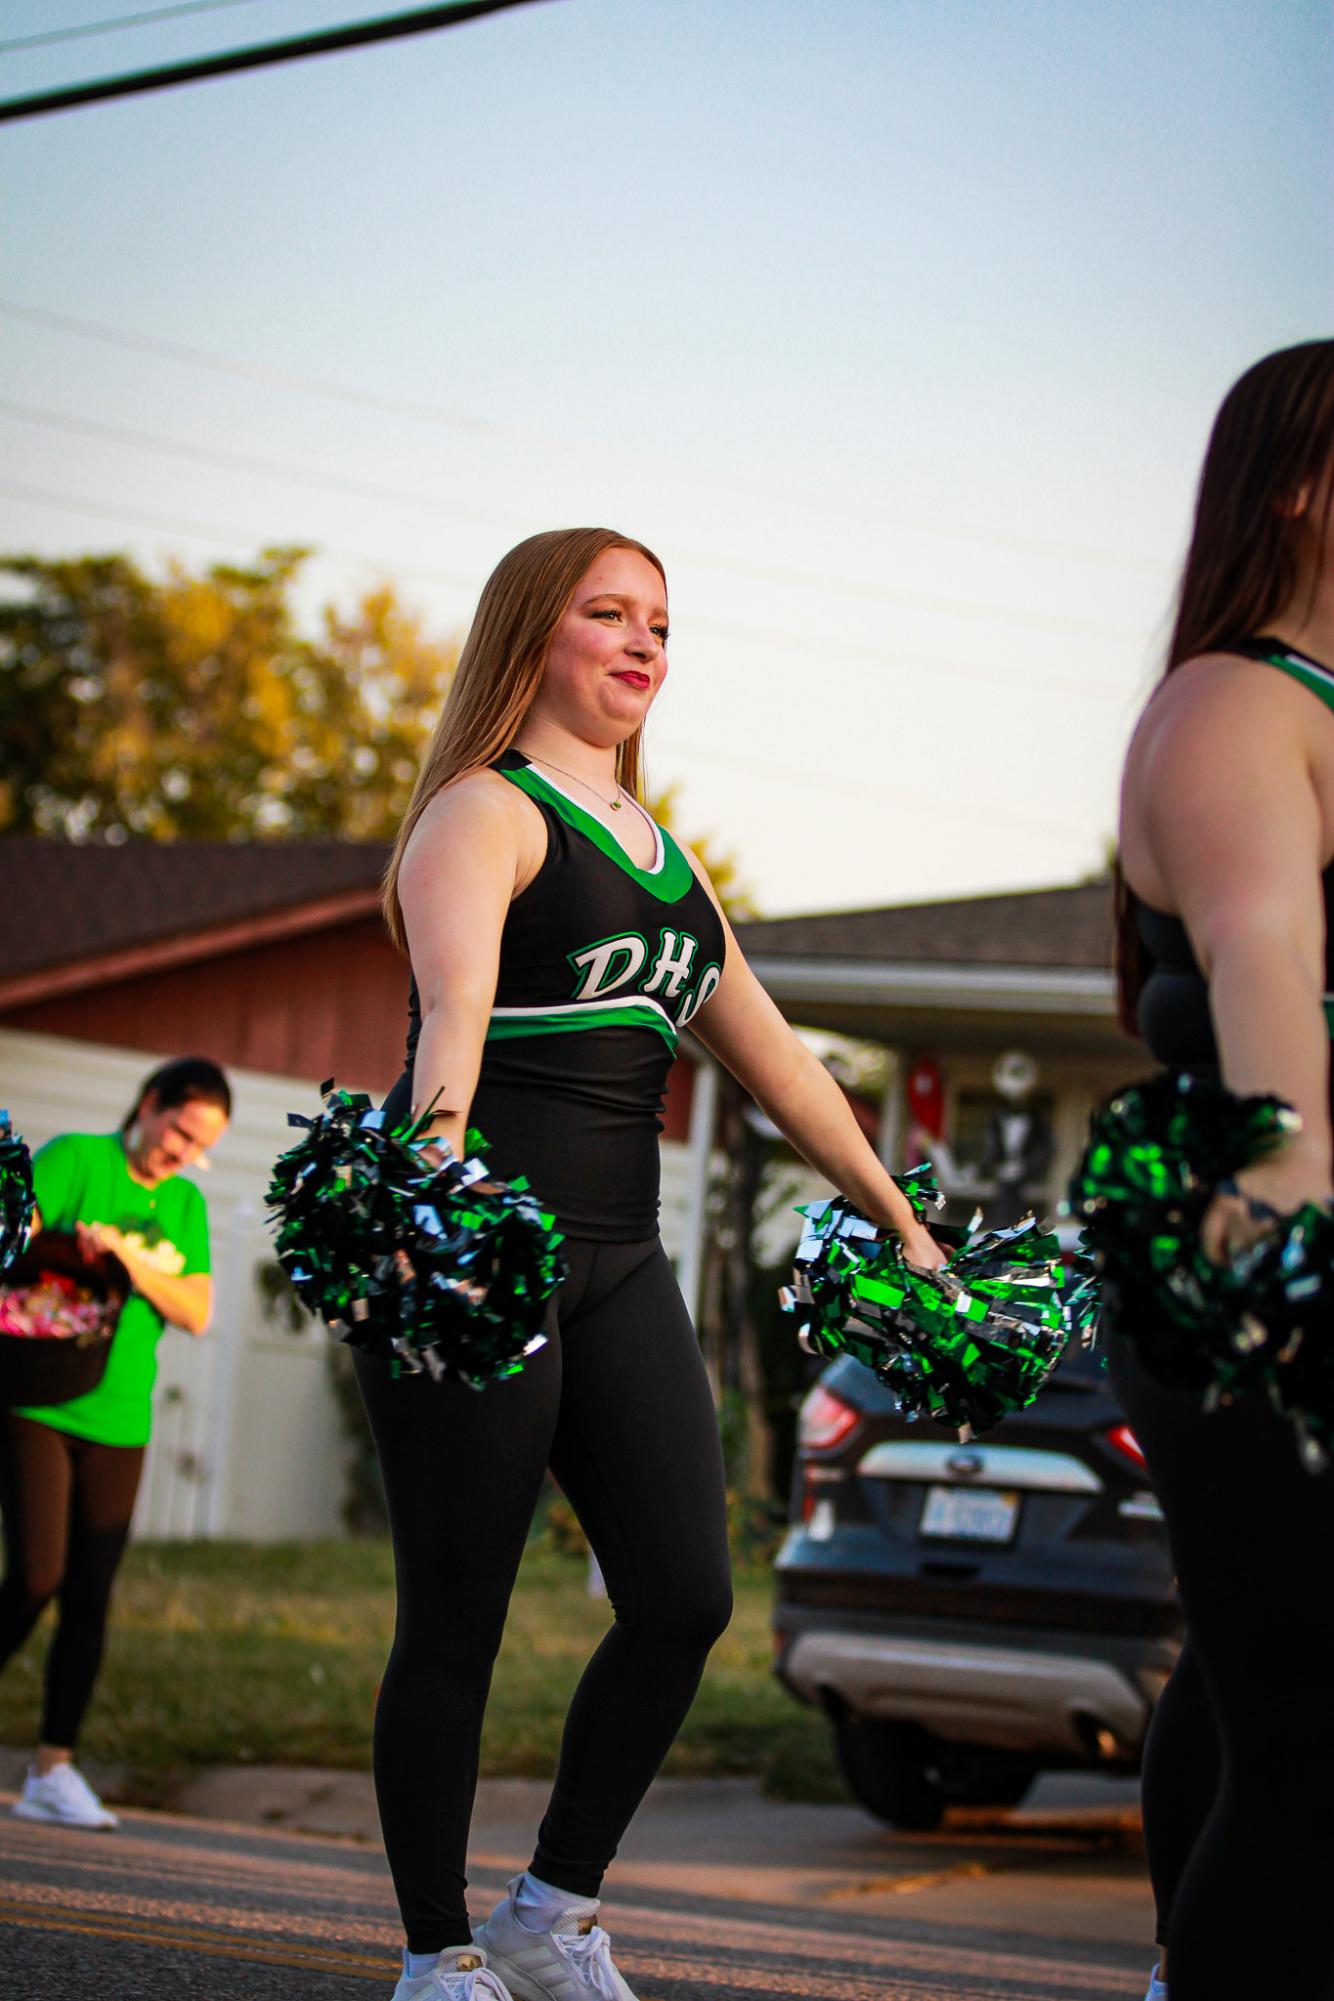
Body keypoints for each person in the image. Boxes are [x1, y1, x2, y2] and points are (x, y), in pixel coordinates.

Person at [364, 526, 947, 2001]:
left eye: (661, 624)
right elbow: (453, 1021)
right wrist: (431, 1204)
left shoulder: (665, 856)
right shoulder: (483, 814)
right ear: (531, 637)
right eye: (606, 615)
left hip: (620, 1260)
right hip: (478, 1250)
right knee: (458, 1614)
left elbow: (779, 1064)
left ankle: (546, 1911)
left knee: (686, 1594)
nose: (641, 645)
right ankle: (436, 1954)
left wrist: (895, 1208)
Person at [1112, 340, 1334, 2000]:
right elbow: (1259, 964)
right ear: (1296, 483)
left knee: (1246, 1699)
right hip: (1247, 1243)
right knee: (1309, 1758)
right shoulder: (1232, 703)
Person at [0, 1057, 230, 1830]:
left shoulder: (186, 1204)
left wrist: (131, 1261)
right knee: (35, 1575)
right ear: (151, 1102)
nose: (182, 1152)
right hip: (37, 1401)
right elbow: (12, 1238)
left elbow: (197, 1309)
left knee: (89, 1597)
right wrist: (69, 1237)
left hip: (122, 1417)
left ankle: (52, 1769)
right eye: (180, 1130)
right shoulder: (76, 1158)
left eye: (201, 1145)